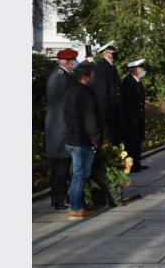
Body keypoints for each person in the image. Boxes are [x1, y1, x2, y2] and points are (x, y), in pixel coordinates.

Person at [63, 62, 102, 220]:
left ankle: (78, 204)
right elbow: (90, 120)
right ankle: (75, 208)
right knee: (79, 175)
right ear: (85, 77)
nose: (94, 79)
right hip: (82, 141)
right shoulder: (85, 95)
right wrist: (96, 139)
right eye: (92, 76)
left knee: (80, 174)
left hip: (71, 138)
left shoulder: (70, 92)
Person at [45, 48, 78, 210]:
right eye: (74, 62)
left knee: (60, 166)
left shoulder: (62, 75)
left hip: (59, 128)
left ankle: (57, 197)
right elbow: (64, 105)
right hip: (60, 129)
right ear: (69, 62)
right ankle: (59, 199)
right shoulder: (60, 77)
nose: (75, 65)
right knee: (60, 167)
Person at [92, 41, 122, 144]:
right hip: (107, 110)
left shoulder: (111, 66)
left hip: (114, 108)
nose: (115, 53)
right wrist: (104, 111)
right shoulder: (101, 67)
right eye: (113, 51)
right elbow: (101, 91)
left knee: (115, 136)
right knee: (108, 136)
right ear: (106, 53)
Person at [121, 59, 148, 172]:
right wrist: (133, 118)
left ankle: (137, 162)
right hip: (131, 119)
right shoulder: (128, 82)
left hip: (138, 117)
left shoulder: (137, 81)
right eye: (141, 68)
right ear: (135, 70)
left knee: (137, 141)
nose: (143, 71)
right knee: (131, 142)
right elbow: (128, 102)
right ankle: (130, 165)